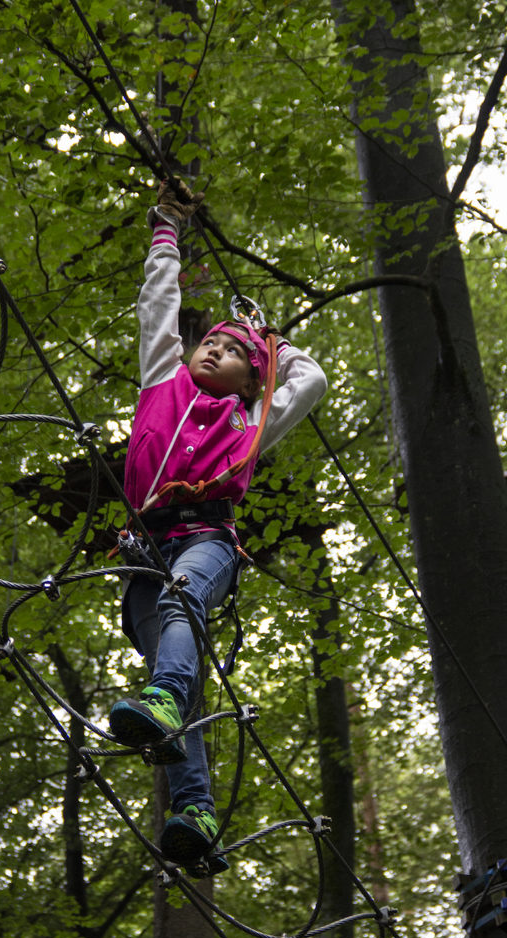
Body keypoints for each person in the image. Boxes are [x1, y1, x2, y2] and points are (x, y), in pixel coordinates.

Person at [109, 180, 327, 876]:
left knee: (180, 619)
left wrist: (273, 342)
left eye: (231, 353)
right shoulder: (161, 379)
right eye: (209, 343)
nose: (212, 351)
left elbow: (310, 380)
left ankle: (166, 701)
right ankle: (194, 812)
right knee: (172, 677)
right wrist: (164, 234)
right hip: (144, 548)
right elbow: (157, 305)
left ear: (250, 381)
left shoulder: (251, 421)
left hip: (205, 540)